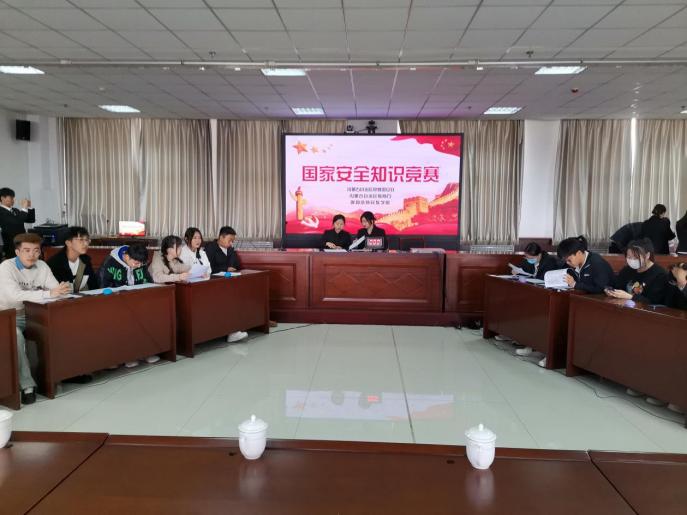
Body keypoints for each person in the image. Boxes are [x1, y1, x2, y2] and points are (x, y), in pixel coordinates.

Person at [0, 233, 71, 404]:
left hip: (33, 313)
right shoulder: (6, 267)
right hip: (7, 315)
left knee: (61, 327)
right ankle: (27, 386)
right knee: (15, 335)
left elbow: (55, 289)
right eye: (27, 250)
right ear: (17, 252)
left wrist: (62, 290)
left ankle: (59, 375)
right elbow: (14, 296)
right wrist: (48, 293)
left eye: (36, 250)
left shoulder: (42, 266)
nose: (32, 255)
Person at [97, 243, 156, 367]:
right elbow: (102, 285)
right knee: (123, 321)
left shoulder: (139, 261)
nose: (139, 266)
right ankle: (125, 356)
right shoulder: (110, 262)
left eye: (141, 264)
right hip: (116, 303)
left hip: (137, 301)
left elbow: (148, 280)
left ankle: (144, 352)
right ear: (127, 257)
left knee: (148, 316)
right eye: (136, 263)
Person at [605, 239, 669, 305]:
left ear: (647, 255)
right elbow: (618, 286)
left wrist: (631, 297)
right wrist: (612, 292)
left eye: (636, 257)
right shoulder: (627, 270)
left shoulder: (660, 275)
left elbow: (654, 301)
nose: (632, 260)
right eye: (629, 257)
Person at [46, 226, 99, 293]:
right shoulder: (55, 264)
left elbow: (94, 287)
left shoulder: (85, 261)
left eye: (87, 240)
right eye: (81, 240)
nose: (85, 244)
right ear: (68, 243)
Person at [0, 187, 36, 259]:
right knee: (14, 263)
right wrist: (24, 208)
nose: (13, 200)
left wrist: (29, 207)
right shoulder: (1, 212)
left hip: (22, 241)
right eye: (11, 198)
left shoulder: (15, 210)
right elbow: (17, 222)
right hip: (11, 244)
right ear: (2, 198)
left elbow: (31, 220)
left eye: (13, 198)